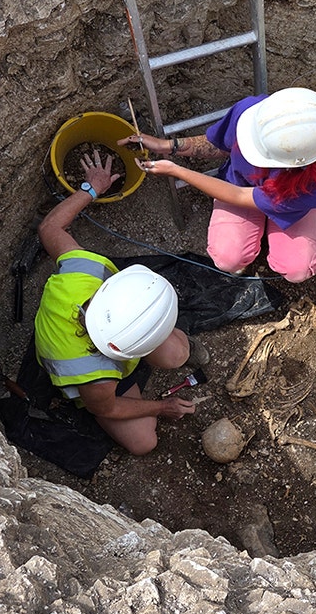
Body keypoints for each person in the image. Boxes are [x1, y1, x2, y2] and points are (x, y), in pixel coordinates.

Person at [34, 150, 206, 456]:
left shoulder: (81, 272)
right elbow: (109, 406)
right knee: (144, 441)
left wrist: (91, 189)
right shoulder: (93, 374)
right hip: (94, 382)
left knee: (176, 353)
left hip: (101, 345)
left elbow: (50, 229)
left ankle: (179, 347)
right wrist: (162, 407)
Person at [122, 87, 316, 282]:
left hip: (284, 203)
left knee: (297, 268)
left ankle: (271, 231)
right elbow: (218, 144)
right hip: (243, 186)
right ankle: (247, 249)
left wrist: (176, 170)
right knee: (228, 258)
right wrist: (166, 146)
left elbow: (237, 196)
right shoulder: (253, 113)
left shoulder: (314, 186)